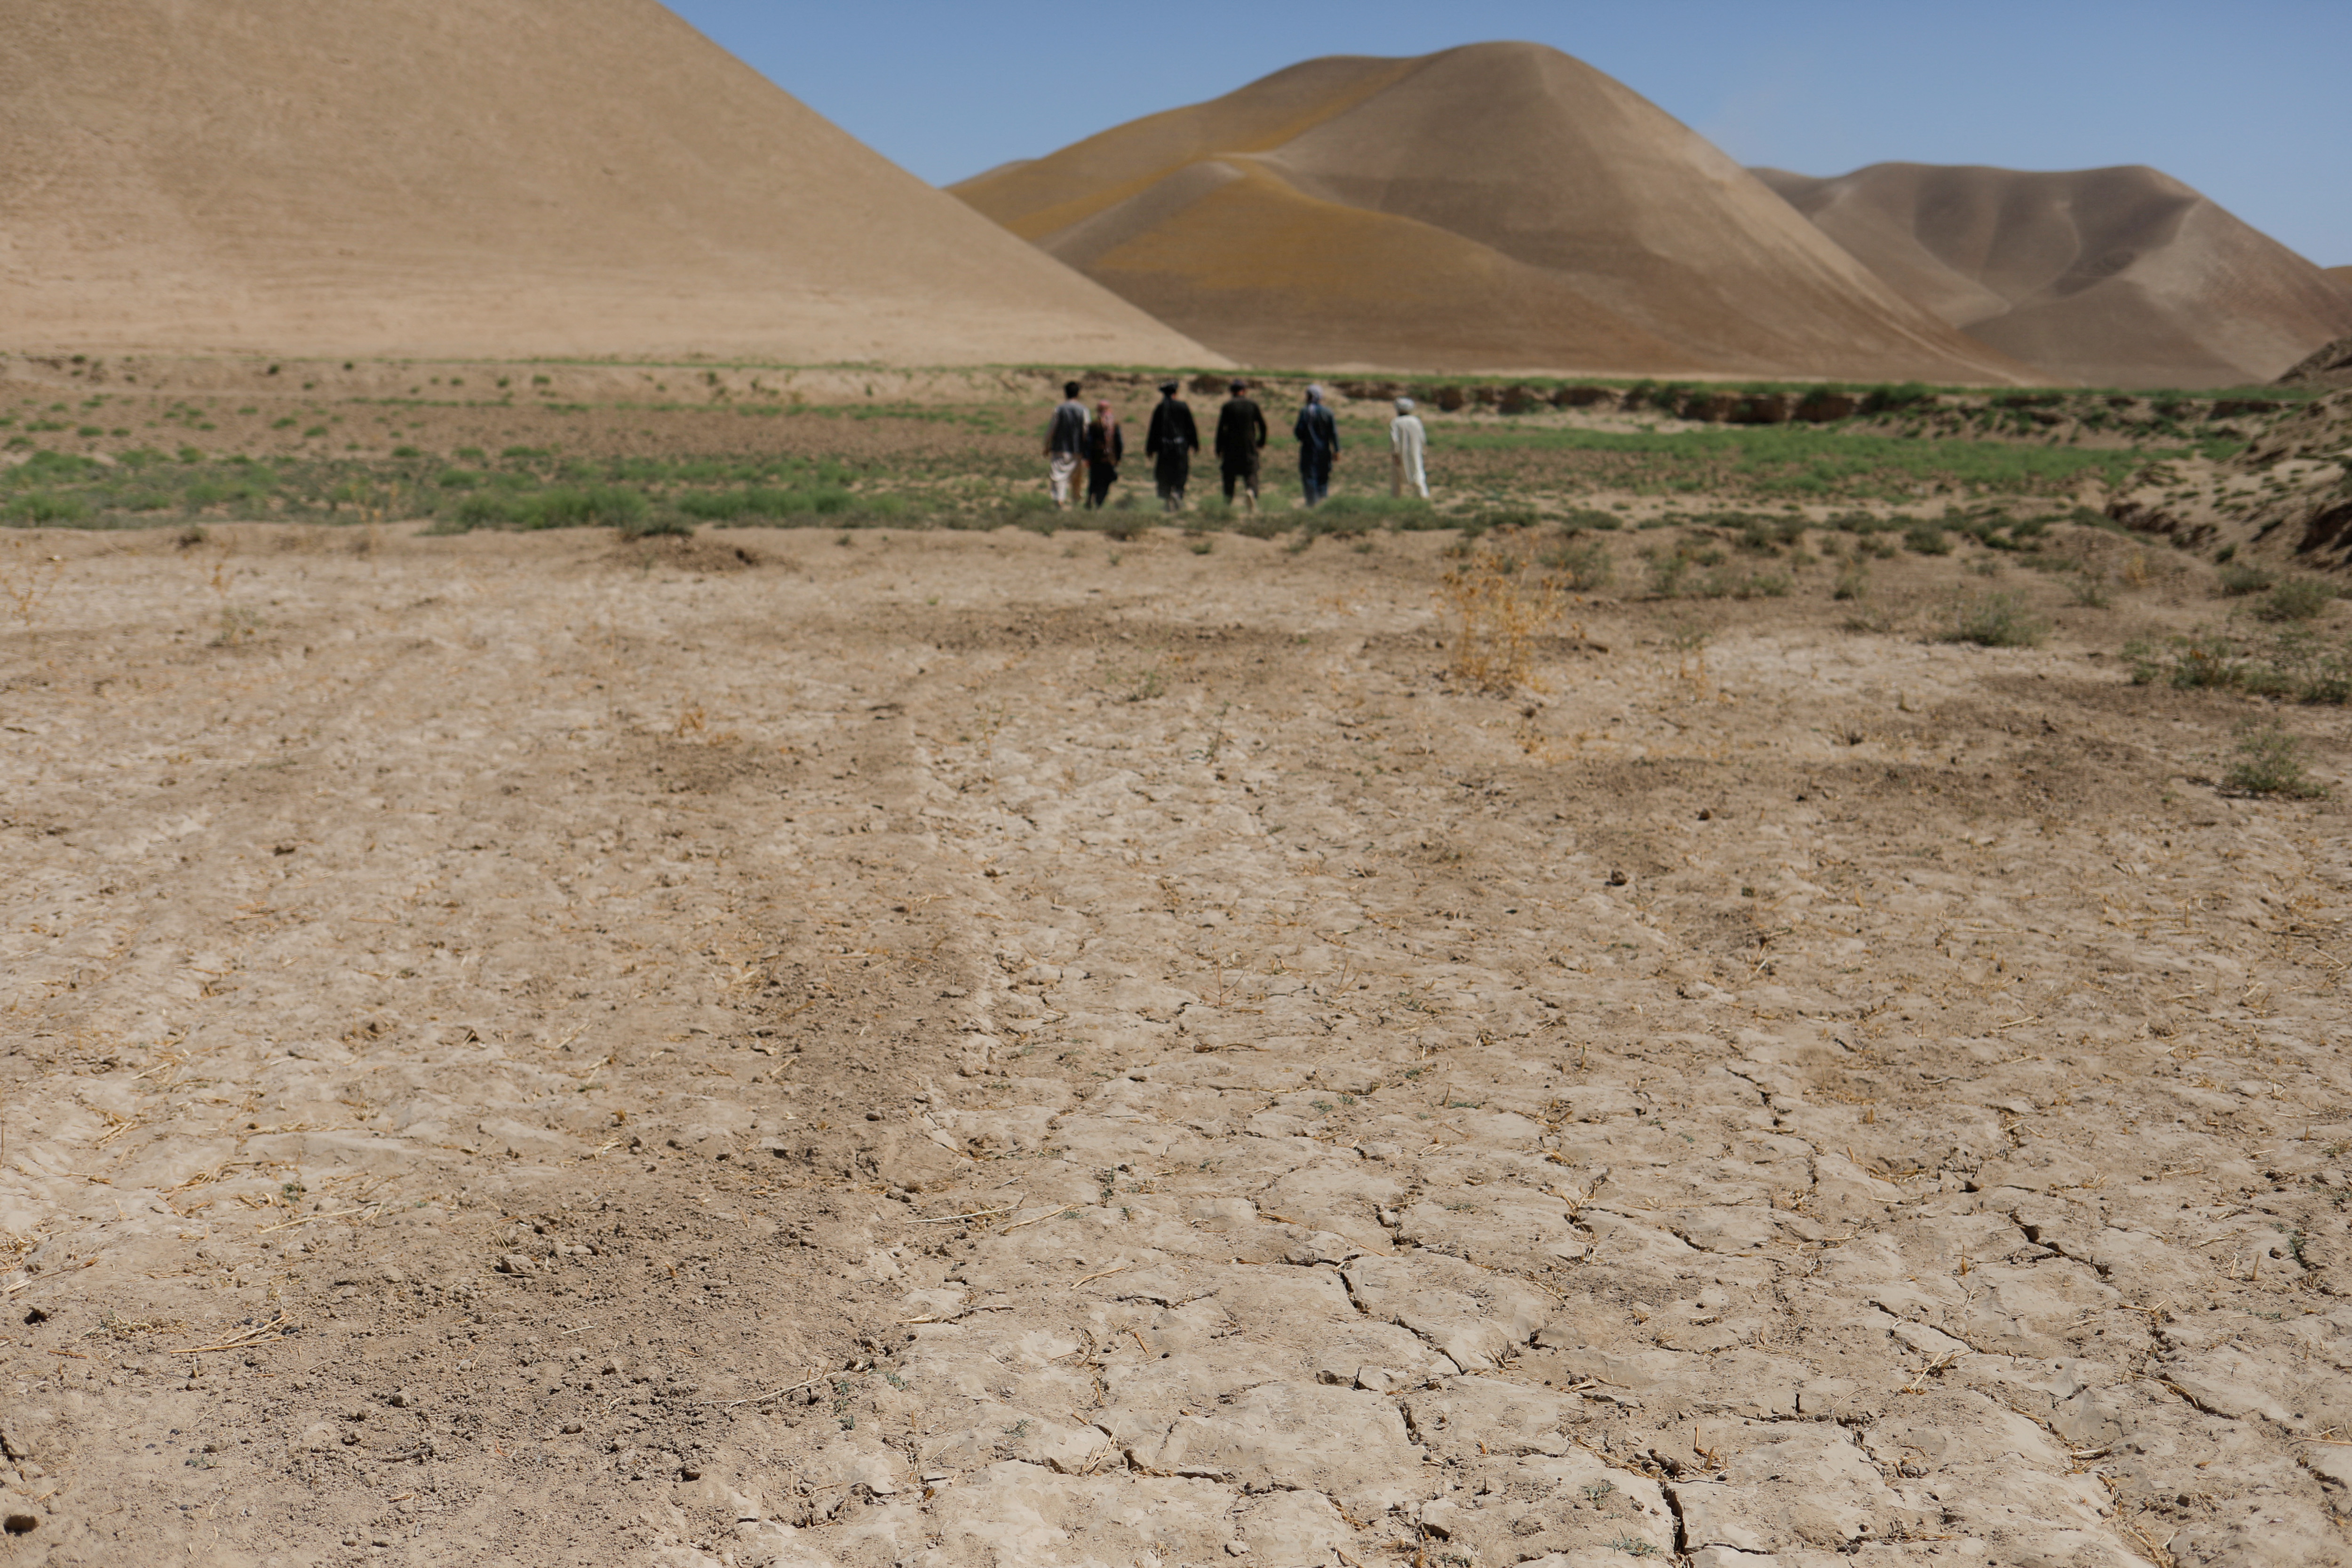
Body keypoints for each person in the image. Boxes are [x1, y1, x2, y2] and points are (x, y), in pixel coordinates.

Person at [1144, 380, 1200, 513]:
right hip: (1180, 448)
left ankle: (1168, 497)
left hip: (1164, 449)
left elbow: (1154, 430)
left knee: (1164, 474)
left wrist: (1150, 449)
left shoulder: (1160, 408)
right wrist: (1195, 444)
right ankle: (1177, 494)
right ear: (1176, 392)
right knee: (1181, 472)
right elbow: (1191, 427)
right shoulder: (1183, 406)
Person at [1213, 379, 1269, 513]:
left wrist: (1218, 448)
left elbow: (1221, 429)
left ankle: (1228, 502)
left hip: (1230, 448)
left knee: (1229, 476)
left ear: (1232, 392)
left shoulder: (1228, 406)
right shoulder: (1252, 405)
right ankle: (1251, 492)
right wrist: (1260, 443)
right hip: (1249, 446)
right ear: (1244, 391)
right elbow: (1263, 426)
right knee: (1251, 473)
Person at [1043, 380, 1089, 509]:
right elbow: (1086, 430)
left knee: (1058, 476)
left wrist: (1046, 446)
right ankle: (1076, 501)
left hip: (1060, 449)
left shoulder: (1059, 409)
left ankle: (1060, 500)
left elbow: (1052, 429)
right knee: (1077, 478)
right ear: (1078, 394)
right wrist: (1087, 449)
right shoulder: (1083, 410)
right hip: (1078, 450)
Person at [1294, 384, 1340, 506]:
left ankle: (1312, 504)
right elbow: (1334, 433)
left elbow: (1298, 432)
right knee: (1323, 477)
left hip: (1308, 450)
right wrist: (1337, 450)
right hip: (1324, 450)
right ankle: (1322, 502)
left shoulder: (1305, 412)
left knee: (1309, 477)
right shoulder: (1328, 413)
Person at [1083, 400, 1122, 509]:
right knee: (1106, 481)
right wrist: (1118, 458)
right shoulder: (1115, 424)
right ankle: (1099, 504)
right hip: (1109, 459)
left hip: (1096, 458)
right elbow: (1119, 443)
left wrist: (1087, 457)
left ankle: (1091, 497)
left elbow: (1088, 443)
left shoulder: (1094, 424)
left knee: (1094, 479)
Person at [1390, 396, 1429, 500]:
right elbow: (1422, 438)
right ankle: (1423, 496)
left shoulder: (1396, 422)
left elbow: (1394, 440)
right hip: (1415, 453)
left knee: (1397, 477)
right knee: (1417, 473)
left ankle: (1396, 498)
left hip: (1401, 454)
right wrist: (1423, 451)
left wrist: (1395, 454)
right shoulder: (1416, 421)